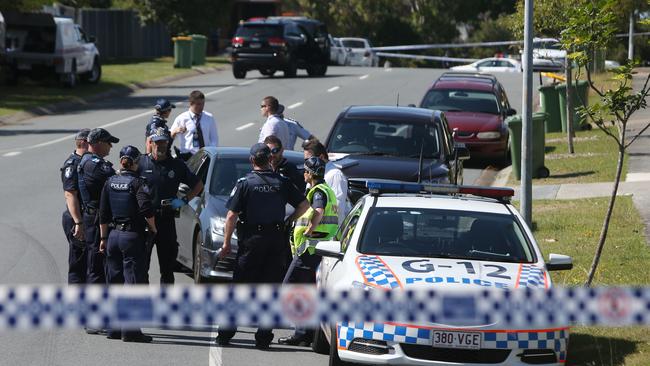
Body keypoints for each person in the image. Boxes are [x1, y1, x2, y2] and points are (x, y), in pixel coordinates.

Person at [215, 143, 309, 349]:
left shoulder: (245, 183)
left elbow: (231, 215)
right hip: (275, 240)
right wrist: (289, 220)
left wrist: (225, 243)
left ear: (251, 161)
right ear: (270, 159)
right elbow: (304, 205)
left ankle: (225, 333)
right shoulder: (282, 182)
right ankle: (264, 337)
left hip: (252, 241)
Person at [99, 145, 156, 343]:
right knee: (132, 283)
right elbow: (146, 209)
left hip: (113, 236)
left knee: (114, 282)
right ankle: (130, 331)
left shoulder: (110, 181)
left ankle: (113, 328)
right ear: (135, 162)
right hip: (131, 237)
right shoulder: (137, 183)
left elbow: (103, 214)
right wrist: (153, 228)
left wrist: (103, 238)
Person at [279, 156, 338, 347]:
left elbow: (318, 211)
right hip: (315, 250)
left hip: (309, 250)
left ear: (310, 174)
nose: (303, 174)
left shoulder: (319, 191)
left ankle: (302, 331)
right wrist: (291, 220)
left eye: (304, 171)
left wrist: (309, 229)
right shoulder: (324, 189)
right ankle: (305, 333)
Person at [138, 127, 204, 284]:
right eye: (157, 142)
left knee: (167, 269)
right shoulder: (140, 162)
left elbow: (198, 185)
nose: (161, 146)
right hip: (145, 222)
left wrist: (183, 200)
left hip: (166, 222)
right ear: (151, 143)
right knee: (141, 268)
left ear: (168, 143)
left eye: (164, 143)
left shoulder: (177, 165)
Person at [78, 128, 119, 286]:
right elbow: (115, 181)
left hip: (95, 217)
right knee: (97, 265)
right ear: (99, 143)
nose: (111, 146)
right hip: (95, 219)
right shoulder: (93, 164)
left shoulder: (91, 161)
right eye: (109, 143)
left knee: (101, 264)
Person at [60, 128, 90, 285]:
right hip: (76, 218)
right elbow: (70, 194)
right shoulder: (73, 164)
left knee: (88, 262)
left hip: (84, 217)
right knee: (78, 263)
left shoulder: (86, 161)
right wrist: (78, 222)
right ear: (84, 142)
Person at [302, 139, 350, 226]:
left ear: (321, 157)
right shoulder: (311, 172)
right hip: (313, 229)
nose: (307, 163)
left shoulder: (335, 175)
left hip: (329, 232)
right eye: (305, 160)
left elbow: (338, 207)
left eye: (309, 159)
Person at [170, 90, 219, 161]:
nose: (202, 106)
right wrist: (175, 131)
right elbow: (170, 137)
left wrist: (210, 153)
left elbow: (214, 139)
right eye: (199, 104)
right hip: (187, 157)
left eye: (203, 103)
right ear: (191, 103)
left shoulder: (209, 117)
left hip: (205, 157)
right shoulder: (181, 118)